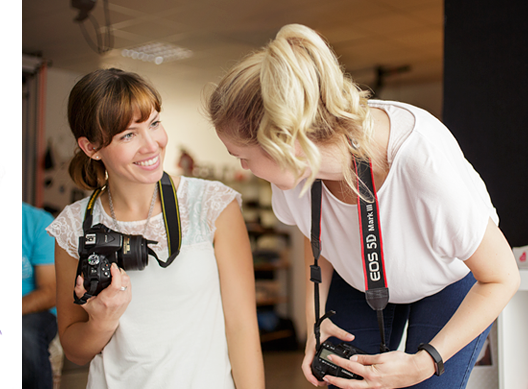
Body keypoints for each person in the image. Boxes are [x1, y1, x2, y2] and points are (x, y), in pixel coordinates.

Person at [208, 24, 520, 388]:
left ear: (284, 142)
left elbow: (502, 277)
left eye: (242, 156)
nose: (242, 168)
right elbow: (319, 238)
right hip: (363, 280)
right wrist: (317, 318)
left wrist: (423, 364)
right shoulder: (291, 174)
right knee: (342, 380)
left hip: (448, 276)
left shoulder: (420, 162)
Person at [49, 68, 264, 388]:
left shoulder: (213, 204)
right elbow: (75, 351)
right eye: (128, 135)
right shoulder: (75, 225)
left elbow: (242, 328)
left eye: (154, 123)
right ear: (91, 147)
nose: (151, 145)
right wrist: (102, 322)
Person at [22, 202, 57, 389]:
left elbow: (50, 292)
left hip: (35, 313)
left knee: (25, 333)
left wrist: (9, 312)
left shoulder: (38, 222)